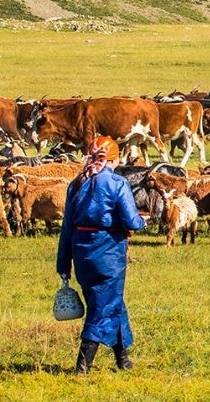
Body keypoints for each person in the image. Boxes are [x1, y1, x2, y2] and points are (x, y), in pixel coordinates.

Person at [56, 136, 146, 374]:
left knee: (108, 301)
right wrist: (143, 221)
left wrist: (63, 263)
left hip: (81, 252)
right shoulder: (117, 183)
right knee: (102, 306)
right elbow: (132, 221)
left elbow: (66, 227)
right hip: (107, 252)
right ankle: (82, 367)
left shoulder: (75, 184)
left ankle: (123, 359)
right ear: (114, 160)